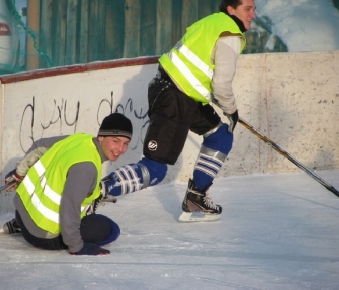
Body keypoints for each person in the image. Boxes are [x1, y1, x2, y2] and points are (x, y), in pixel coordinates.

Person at [101, 0, 256, 222]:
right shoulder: (230, 33)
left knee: (220, 136)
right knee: (155, 169)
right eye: (248, 9)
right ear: (231, 9)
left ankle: (196, 196)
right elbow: (221, 84)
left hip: (179, 94)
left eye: (254, 9)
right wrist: (231, 110)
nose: (253, 15)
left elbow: (195, 68)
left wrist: (217, 101)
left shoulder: (210, 22)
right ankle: (94, 191)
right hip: (174, 97)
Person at [0, 113, 133, 255]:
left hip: (22, 212)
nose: (120, 148)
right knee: (111, 230)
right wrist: (77, 246)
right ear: (101, 137)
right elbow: (70, 207)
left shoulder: (81, 139)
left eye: (126, 143)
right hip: (42, 235)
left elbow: (40, 146)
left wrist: (19, 173)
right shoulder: (86, 166)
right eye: (116, 141)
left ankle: (19, 224)